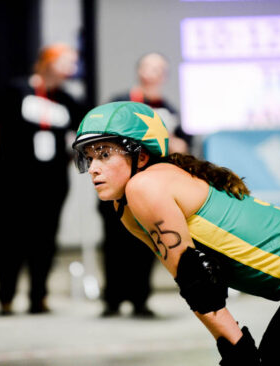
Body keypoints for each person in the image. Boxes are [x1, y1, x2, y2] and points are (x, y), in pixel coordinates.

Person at [72, 101, 280, 365]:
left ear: (141, 156)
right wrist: (237, 349)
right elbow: (195, 283)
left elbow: (197, 282)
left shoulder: (144, 186)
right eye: (89, 158)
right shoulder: (126, 206)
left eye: (104, 155)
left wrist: (238, 351)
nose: (93, 169)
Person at [0, 43, 86, 315]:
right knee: (12, 238)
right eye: (67, 61)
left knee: (45, 239)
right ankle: (6, 296)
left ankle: (39, 296)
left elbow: (82, 132)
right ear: (48, 62)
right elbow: (0, 127)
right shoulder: (18, 90)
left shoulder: (67, 99)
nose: (72, 68)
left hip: (52, 179)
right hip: (16, 179)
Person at [99, 52, 192, 317]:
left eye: (157, 69)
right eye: (147, 68)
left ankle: (140, 299)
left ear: (163, 76)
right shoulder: (120, 103)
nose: (151, 73)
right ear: (139, 71)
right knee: (115, 244)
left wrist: (177, 144)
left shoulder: (169, 109)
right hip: (119, 187)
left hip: (150, 189)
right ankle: (112, 300)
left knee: (147, 244)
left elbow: (184, 145)